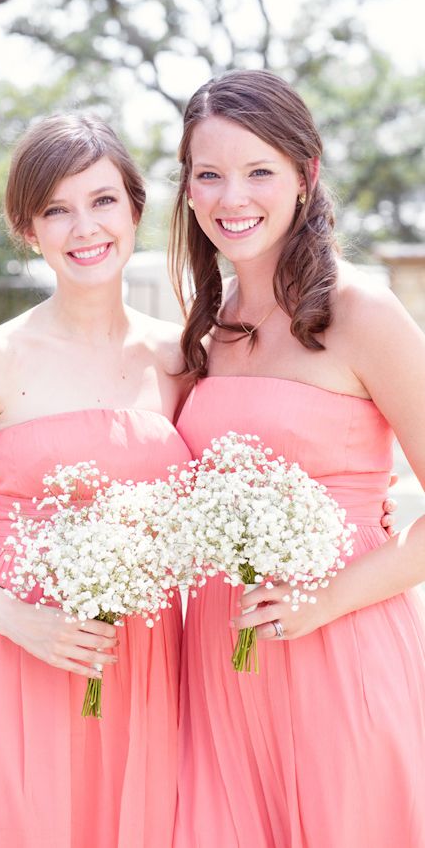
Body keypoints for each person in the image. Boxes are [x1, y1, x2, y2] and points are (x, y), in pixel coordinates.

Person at [0, 114, 193, 848]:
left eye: (101, 201)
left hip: (143, 662)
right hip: (8, 657)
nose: (83, 227)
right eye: (55, 209)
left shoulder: (181, 355)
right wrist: (16, 617)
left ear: (133, 209)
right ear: (30, 230)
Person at [169, 69, 425, 848]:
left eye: (258, 171)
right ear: (186, 190)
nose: (230, 198)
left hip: (336, 648)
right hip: (216, 655)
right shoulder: (208, 330)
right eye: (208, 174)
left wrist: (325, 602)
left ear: (306, 176)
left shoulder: (361, 313)